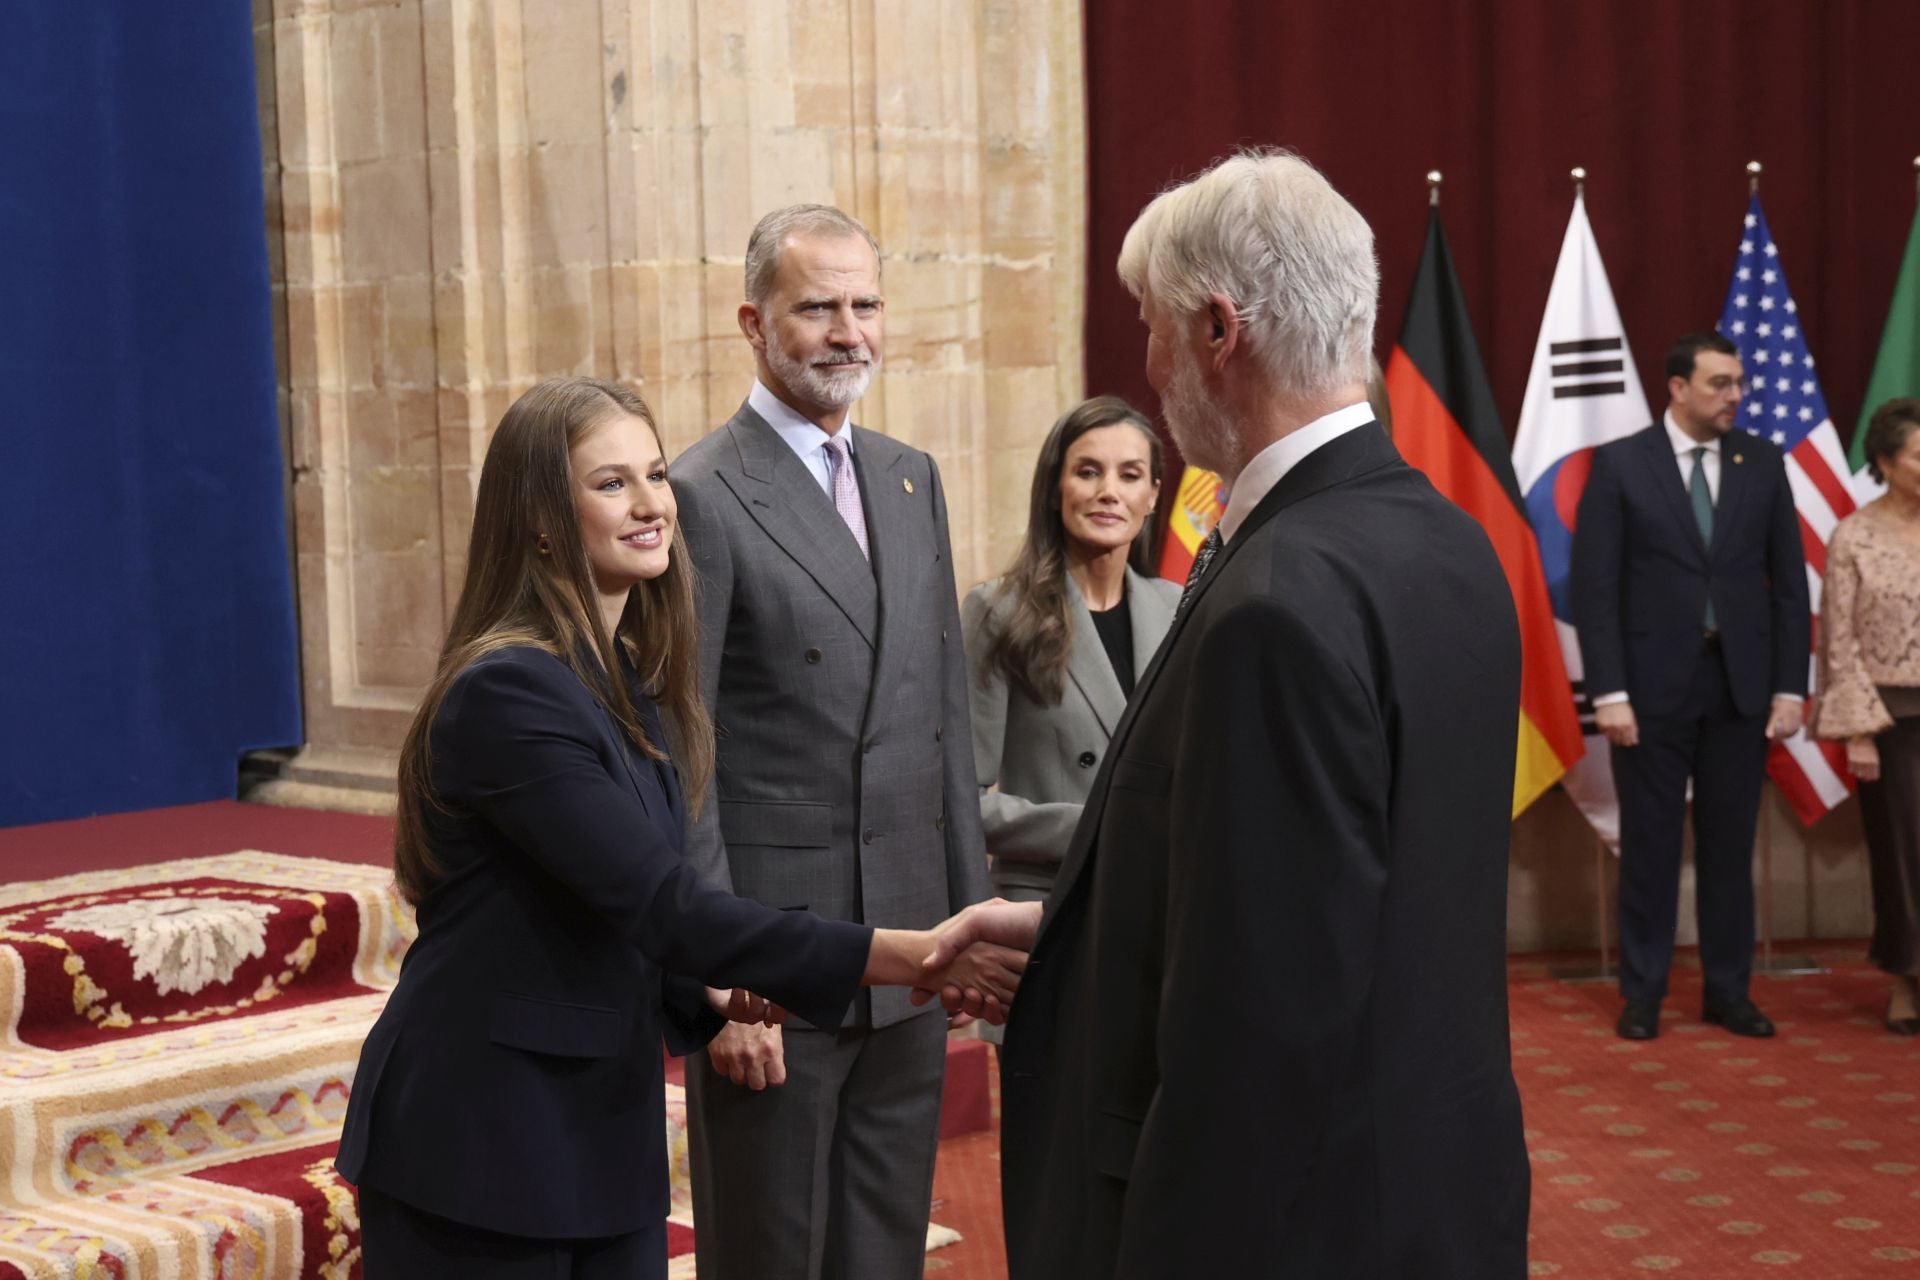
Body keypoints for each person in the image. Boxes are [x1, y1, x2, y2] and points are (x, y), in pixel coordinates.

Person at [931, 148, 1530, 1278]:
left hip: (1293, 1222)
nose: (1146, 363)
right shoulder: (1451, 543)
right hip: (1428, 1178)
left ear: (1218, 330)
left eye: (1151, 325)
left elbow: (1262, 1018)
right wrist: (1076, 924)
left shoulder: (1277, 597)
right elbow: (1342, 882)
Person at [333, 377, 1018, 1279]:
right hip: (482, 1136)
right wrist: (915, 952)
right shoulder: (509, 690)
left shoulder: (622, 675)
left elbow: (613, 912)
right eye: (611, 483)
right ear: (542, 517)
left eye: (655, 474)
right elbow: (664, 903)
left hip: (598, 1132)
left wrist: (701, 991)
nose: (653, 502)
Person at [671, 206, 990, 1280]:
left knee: (879, 1250)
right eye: (818, 307)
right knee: (774, 1257)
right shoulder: (702, 493)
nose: (848, 330)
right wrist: (718, 982)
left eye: (865, 304)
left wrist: (969, 927)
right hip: (776, 969)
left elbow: (943, 713)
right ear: (756, 322)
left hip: (908, 948)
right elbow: (685, 753)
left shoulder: (911, 476)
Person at [1571, 332, 1809, 1042]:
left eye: (1739, 382)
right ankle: (1643, 992)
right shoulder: (1620, 466)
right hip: (1647, 690)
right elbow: (1596, 588)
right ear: (1677, 387)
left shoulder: (1761, 463)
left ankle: (1728, 991)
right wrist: (1608, 692)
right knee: (1648, 846)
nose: (1736, 395)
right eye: (1720, 383)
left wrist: (1790, 687)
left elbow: (1789, 589)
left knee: (1730, 849)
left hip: (1740, 687)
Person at [961, 395, 1178, 906]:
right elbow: (957, 803)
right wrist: (1094, 825)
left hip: (1161, 899)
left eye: (1129, 475)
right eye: (1088, 472)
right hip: (1048, 903)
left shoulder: (1177, 609)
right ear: (1056, 489)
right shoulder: (997, 610)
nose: (1108, 492)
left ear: (1152, 496)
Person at [1815, 397, 1920, 1035]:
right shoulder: (1855, 533)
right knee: (1905, 855)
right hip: (1892, 718)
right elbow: (1840, 638)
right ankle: (1907, 977)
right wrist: (1857, 729)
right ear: (1885, 461)